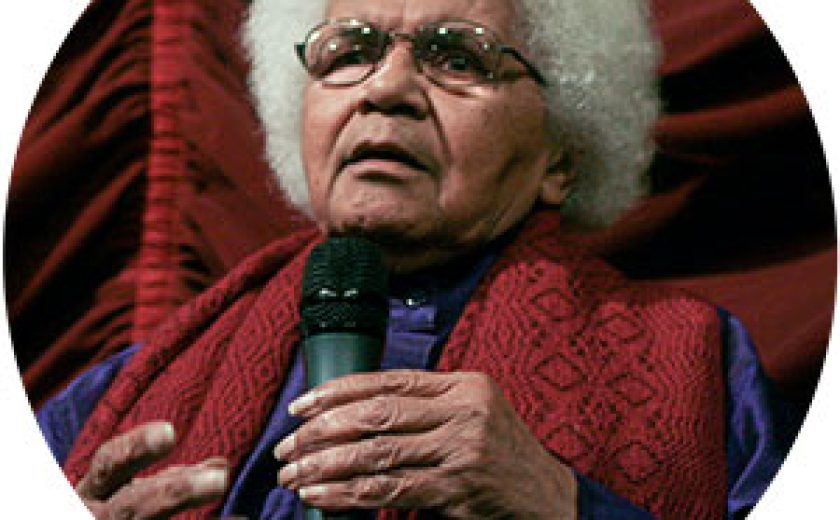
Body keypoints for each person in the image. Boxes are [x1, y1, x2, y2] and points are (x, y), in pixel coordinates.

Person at [35, 0, 795, 518]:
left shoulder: (697, 365)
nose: (388, 89)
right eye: (349, 52)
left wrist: (566, 505)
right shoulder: (124, 393)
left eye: (457, 56)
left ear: (563, 155)